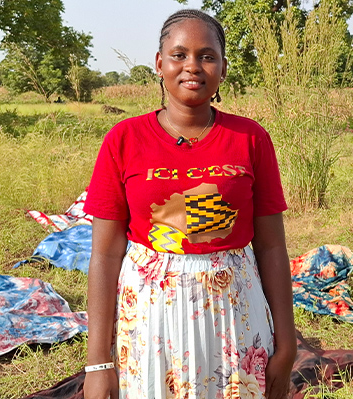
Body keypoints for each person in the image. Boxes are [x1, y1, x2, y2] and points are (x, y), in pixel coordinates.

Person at [83, 9, 296, 399]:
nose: (192, 66)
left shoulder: (250, 138)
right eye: (179, 55)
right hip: (151, 316)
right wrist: (99, 363)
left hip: (235, 312)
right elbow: (106, 254)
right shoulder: (124, 139)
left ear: (224, 68)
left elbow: (271, 246)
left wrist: (288, 345)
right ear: (159, 63)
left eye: (207, 55)